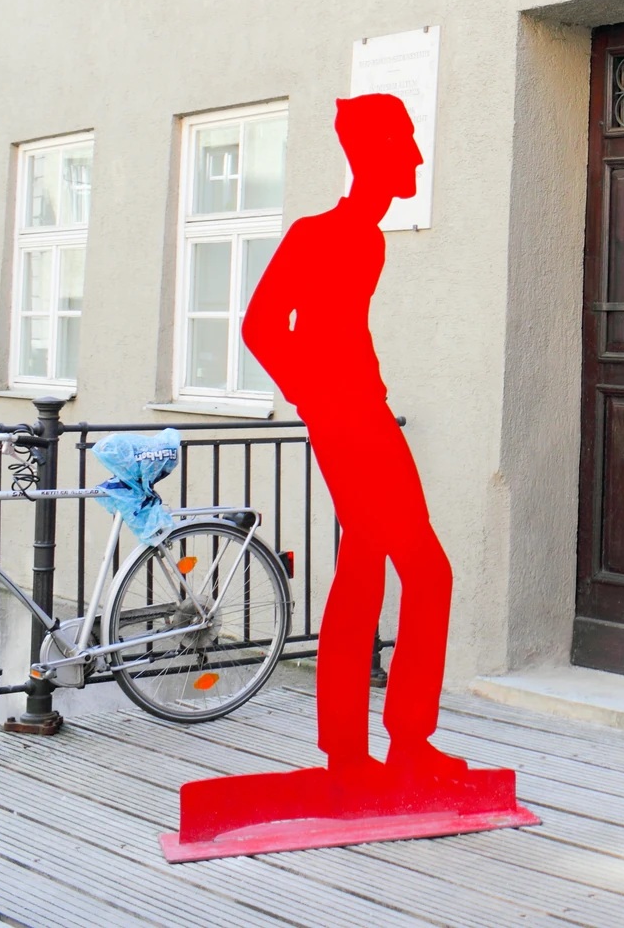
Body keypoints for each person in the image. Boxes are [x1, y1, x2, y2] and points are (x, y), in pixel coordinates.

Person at [241, 93, 464, 785]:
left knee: (370, 568)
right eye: (406, 144)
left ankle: (362, 748)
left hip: (362, 414)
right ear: (373, 154)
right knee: (423, 570)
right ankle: (389, 742)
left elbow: (328, 332)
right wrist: (318, 396)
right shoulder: (319, 234)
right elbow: (260, 326)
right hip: (351, 420)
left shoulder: (366, 238)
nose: (418, 157)